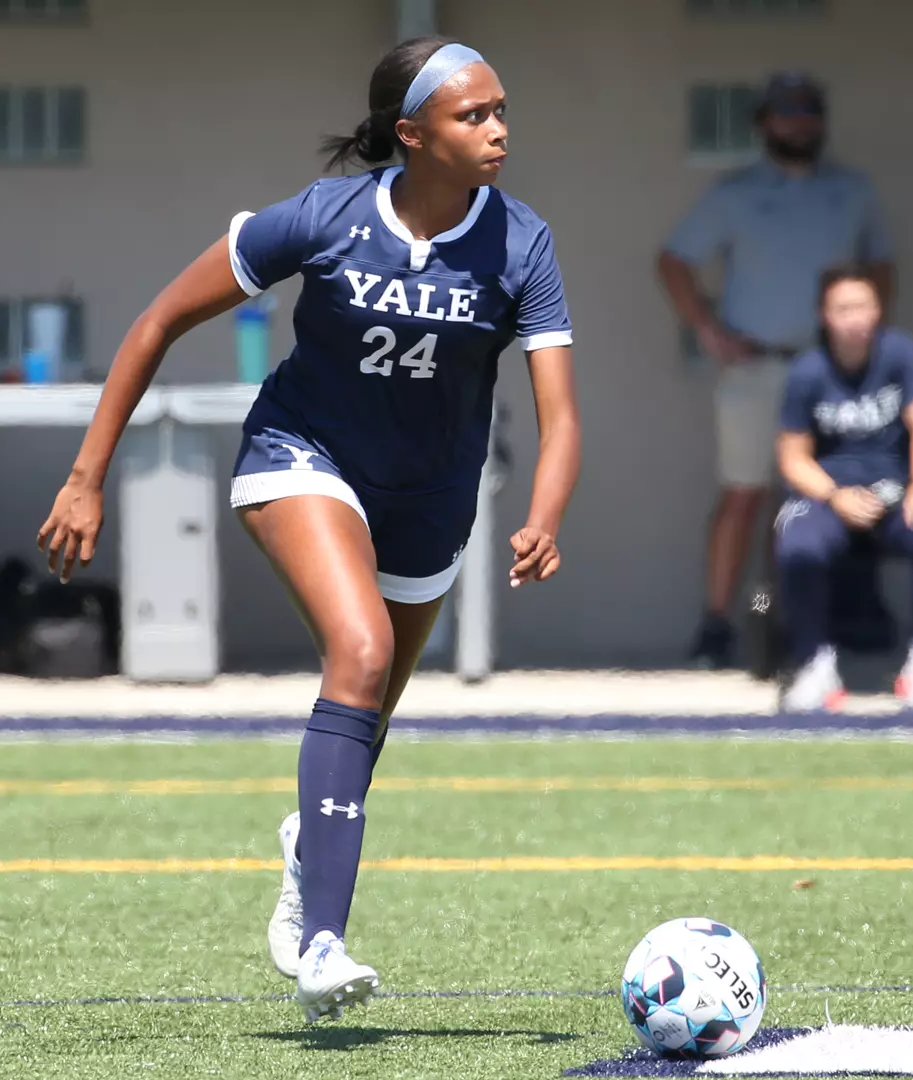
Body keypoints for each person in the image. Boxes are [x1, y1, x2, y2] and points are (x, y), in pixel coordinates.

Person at [34, 37, 580, 1023]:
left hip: (433, 498)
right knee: (360, 649)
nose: (498, 130)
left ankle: (305, 850)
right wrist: (85, 479)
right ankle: (322, 942)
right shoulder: (321, 219)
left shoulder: (525, 243)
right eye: (473, 115)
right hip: (300, 454)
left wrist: (543, 512)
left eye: (503, 110)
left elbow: (563, 413)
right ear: (411, 135)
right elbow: (158, 321)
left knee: (365, 708)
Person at [657, 72, 895, 669]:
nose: (798, 123)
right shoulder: (734, 193)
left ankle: (786, 624)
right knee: (743, 495)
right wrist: (709, 330)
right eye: (786, 113)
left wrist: (868, 340)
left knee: (809, 502)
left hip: (827, 374)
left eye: (808, 112)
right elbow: (674, 260)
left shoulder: (852, 190)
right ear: (764, 123)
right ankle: (717, 625)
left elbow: (881, 266)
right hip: (754, 369)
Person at [774, 264, 913, 711]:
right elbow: (792, 458)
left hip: (895, 491)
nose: (855, 318)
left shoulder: (901, 353)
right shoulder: (807, 371)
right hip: (829, 496)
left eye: (863, 306)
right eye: (843, 308)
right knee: (796, 543)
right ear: (824, 315)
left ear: (878, 310)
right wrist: (835, 496)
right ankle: (814, 664)